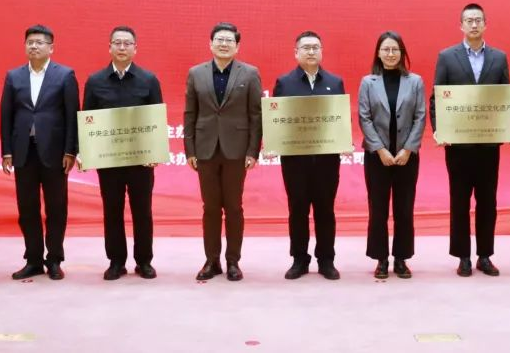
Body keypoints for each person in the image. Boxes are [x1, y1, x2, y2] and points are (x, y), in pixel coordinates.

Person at [428, 3, 510, 277]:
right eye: (469, 20)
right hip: (458, 145)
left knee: (488, 202)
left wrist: (508, 129)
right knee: (459, 201)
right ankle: (463, 256)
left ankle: (485, 256)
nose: (474, 25)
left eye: (478, 20)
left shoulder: (499, 57)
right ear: (461, 25)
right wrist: (440, 130)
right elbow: (436, 98)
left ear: (485, 24)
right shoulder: (447, 57)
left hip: (488, 145)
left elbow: (505, 99)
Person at [83, 26, 164, 281]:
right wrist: (87, 153)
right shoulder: (95, 81)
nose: (121, 47)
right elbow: (87, 119)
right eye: (117, 43)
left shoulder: (148, 80)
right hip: (109, 161)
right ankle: (116, 262)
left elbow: (156, 118)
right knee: (112, 211)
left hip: (141, 160)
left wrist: (155, 151)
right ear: (109, 47)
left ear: (135, 49)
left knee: (143, 211)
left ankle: (144, 261)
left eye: (127, 43)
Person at [183, 22, 263, 282]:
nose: (224, 44)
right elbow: (190, 113)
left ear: (237, 46)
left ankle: (233, 261)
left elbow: (256, 115)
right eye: (219, 39)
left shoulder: (249, 73)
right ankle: (212, 260)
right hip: (205, 149)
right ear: (211, 44)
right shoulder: (196, 73)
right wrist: (190, 149)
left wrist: (253, 150)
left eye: (229, 40)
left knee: (234, 207)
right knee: (210, 208)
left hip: (236, 150)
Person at [0, 25, 79, 281]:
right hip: (24, 151)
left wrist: (71, 150)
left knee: (56, 207)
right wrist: (7, 151)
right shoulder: (14, 76)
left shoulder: (65, 75)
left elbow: (72, 115)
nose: (33, 46)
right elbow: (6, 115)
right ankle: (33, 260)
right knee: (27, 208)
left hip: (55, 152)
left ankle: (54, 259)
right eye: (30, 42)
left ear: (51, 48)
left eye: (39, 42)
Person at [273, 30, 346, 281]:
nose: (311, 51)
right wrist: (272, 142)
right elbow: (277, 119)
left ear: (322, 51)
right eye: (306, 47)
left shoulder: (335, 82)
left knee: (326, 210)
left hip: (327, 160)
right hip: (295, 161)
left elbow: (340, 120)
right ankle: (299, 259)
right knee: (298, 210)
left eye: (316, 47)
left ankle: (326, 260)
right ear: (296, 52)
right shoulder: (285, 83)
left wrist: (343, 139)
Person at [357, 31, 426, 279]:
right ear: (378, 53)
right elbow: (364, 117)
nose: (390, 54)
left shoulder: (415, 81)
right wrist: (380, 149)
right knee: (378, 209)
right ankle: (381, 258)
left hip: (407, 157)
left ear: (402, 52)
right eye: (385, 49)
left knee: (404, 209)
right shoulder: (368, 82)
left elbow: (420, 116)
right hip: (377, 157)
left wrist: (408, 149)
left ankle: (401, 258)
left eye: (395, 49)